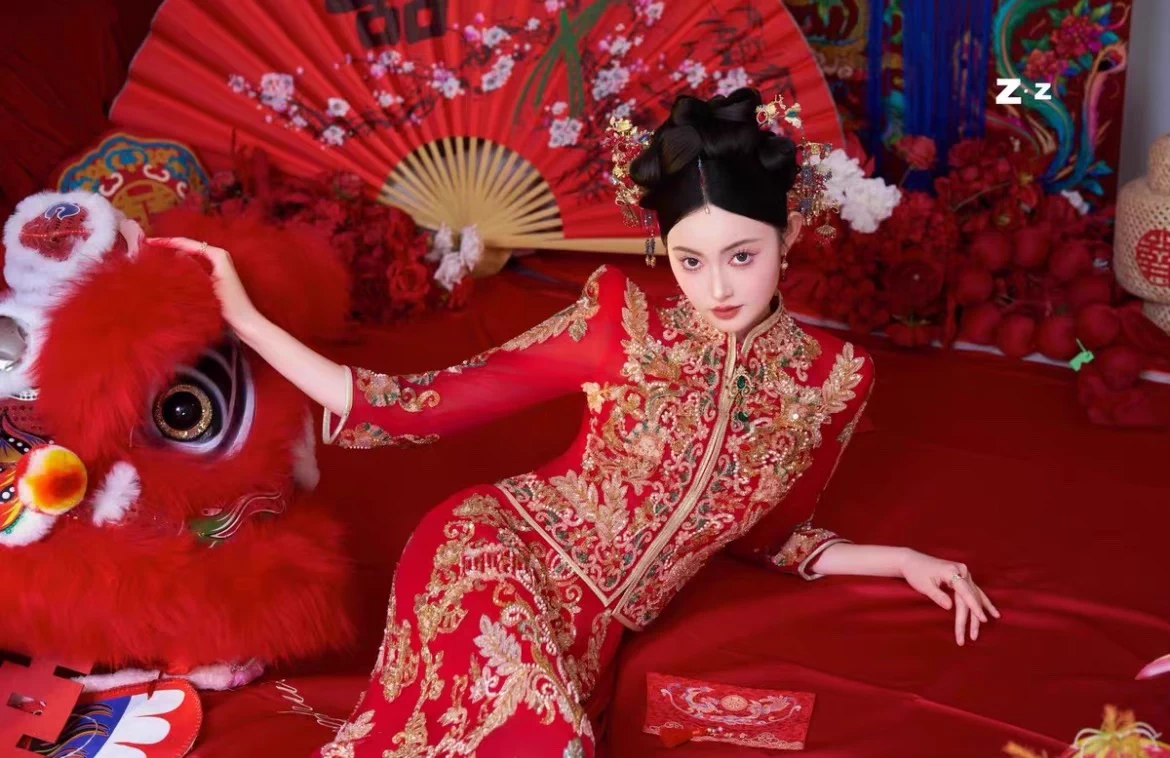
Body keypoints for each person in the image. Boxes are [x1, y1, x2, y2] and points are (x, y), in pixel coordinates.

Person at [149, 87, 999, 757]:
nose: (718, 288)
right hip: (495, 551)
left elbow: (773, 535)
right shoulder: (620, 322)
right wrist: (246, 320)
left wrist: (903, 560)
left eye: (743, 256)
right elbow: (410, 403)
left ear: (790, 233)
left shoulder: (832, 380)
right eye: (691, 260)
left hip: (596, 633)